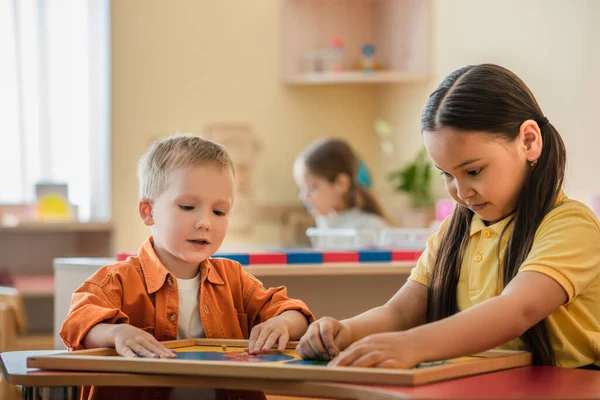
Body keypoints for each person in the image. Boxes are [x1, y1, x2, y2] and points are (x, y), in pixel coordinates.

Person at [296, 64, 600, 370]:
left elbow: (515, 310)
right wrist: (346, 331)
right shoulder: (453, 233)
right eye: (447, 174)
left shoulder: (570, 225)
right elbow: (400, 313)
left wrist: (413, 344)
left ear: (529, 141)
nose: (461, 192)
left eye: (474, 171)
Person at [61, 134, 314, 400]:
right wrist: (115, 333)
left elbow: (293, 312)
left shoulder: (233, 279)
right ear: (148, 211)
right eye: (187, 206)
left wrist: (283, 324)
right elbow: (77, 324)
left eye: (219, 212)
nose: (205, 222)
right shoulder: (117, 281)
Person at [293, 138, 393, 248]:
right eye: (302, 189)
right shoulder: (323, 224)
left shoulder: (370, 229)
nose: (304, 196)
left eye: (312, 188)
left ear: (341, 184)